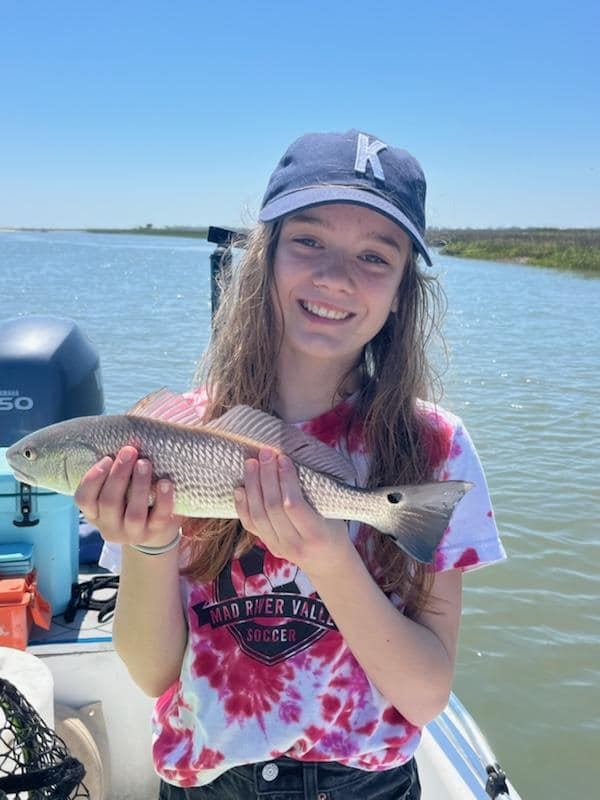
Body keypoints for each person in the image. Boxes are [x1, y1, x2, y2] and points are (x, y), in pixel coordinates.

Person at [76, 129, 506, 799]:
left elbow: (424, 696)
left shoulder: (435, 446)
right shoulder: (165, 439)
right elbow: (155, 675)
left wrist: (331, 558)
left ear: (401, 292)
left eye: (374, 256)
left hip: (367, 784)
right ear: (264, 258)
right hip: (207, 782)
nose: (335, 277)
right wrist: (151, 542)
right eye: (308, 241)